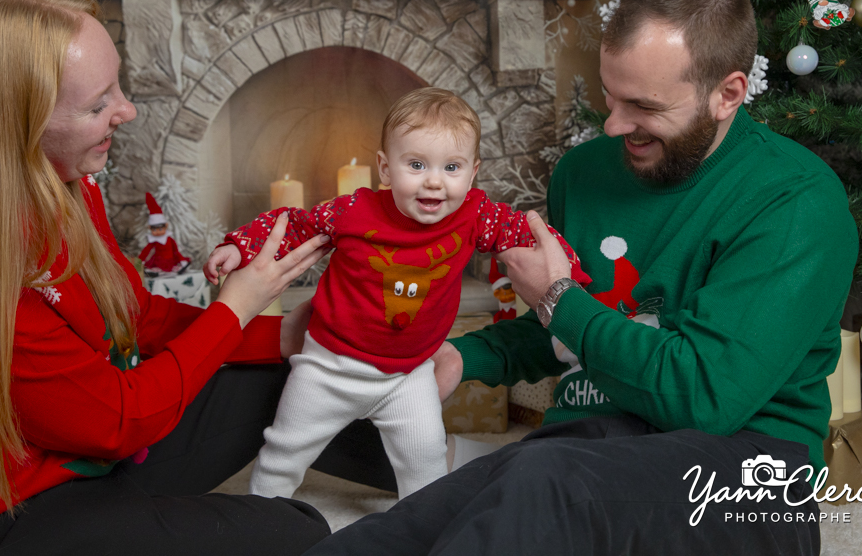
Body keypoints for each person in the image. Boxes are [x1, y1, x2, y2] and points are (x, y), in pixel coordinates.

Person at [304, 0, 858, 556]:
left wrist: (557, 297)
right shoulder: (583, 174)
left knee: (539, 481)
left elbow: (703, 397)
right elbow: (573, 332)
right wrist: (460, 357)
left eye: (643, 106)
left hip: (745, 476)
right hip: (586, 443)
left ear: (727, 94)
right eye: (609, 96)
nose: (615, 125)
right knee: (409, 524)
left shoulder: (795, 202)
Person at [0, 0, 379, 556]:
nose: (128, 110)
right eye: (98, 105)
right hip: (4, 516)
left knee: (294, 378)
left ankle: (441, 467)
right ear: (13, 123)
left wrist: (289, 335)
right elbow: (120, 420)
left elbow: (133, 317)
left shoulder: (68, 183)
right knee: (298, 531)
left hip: (96, 457)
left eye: (118, 85)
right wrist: (234, 308)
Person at [205, 88, 590, 500]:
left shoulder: (475, 214)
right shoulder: (353, 211)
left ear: (472, 173)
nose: (434, 181)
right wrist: (241, 246)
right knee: (284, 452)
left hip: (408, 376)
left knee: (425, 461)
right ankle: (259, 515)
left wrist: (568, 276)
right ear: (386, 168)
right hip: (327, 367)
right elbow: (295, 225)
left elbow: (526, 234)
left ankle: (422, 525)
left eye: (452, 167)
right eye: (417, 164)